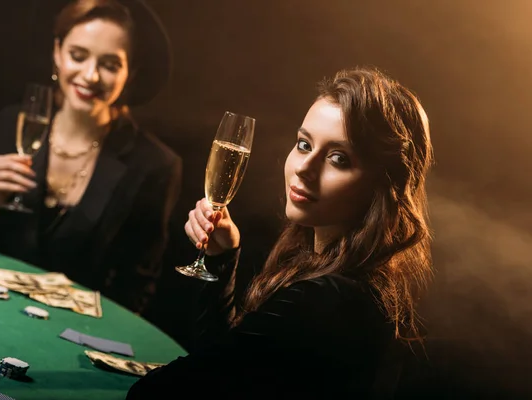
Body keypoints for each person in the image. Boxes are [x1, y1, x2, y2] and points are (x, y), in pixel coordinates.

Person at [126, 66, 434, 398]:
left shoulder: (325, 300)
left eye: (338, 158)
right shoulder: (354, 284)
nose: (304, 167)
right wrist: (221, 258)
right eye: (304, 144)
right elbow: (224, 369)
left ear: (381, 186)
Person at [0, 0, 181, 314]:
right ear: (57, 53)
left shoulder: (154, 164)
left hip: (76, 335)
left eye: (110, 64)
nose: (89, 75)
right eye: (78, 56)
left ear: (130, 73)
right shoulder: (12, 124)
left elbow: (137, 289)